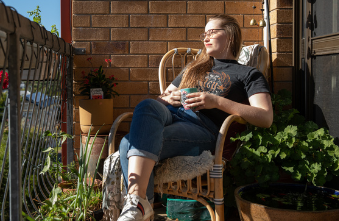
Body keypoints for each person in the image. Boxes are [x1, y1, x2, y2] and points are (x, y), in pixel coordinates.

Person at [117, 14, 273, 221]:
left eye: (212, 32)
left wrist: (216, 102)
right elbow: (160, 99)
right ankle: (139, 205)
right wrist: (170, 98)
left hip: (204, 129)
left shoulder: (248, 74)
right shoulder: (194, 67)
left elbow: (265, 117)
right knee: (147, 105)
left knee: (128, 143)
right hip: (174, 114)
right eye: (204, 34)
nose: (205, 38)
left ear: (230, 36)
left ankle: (139, 205)